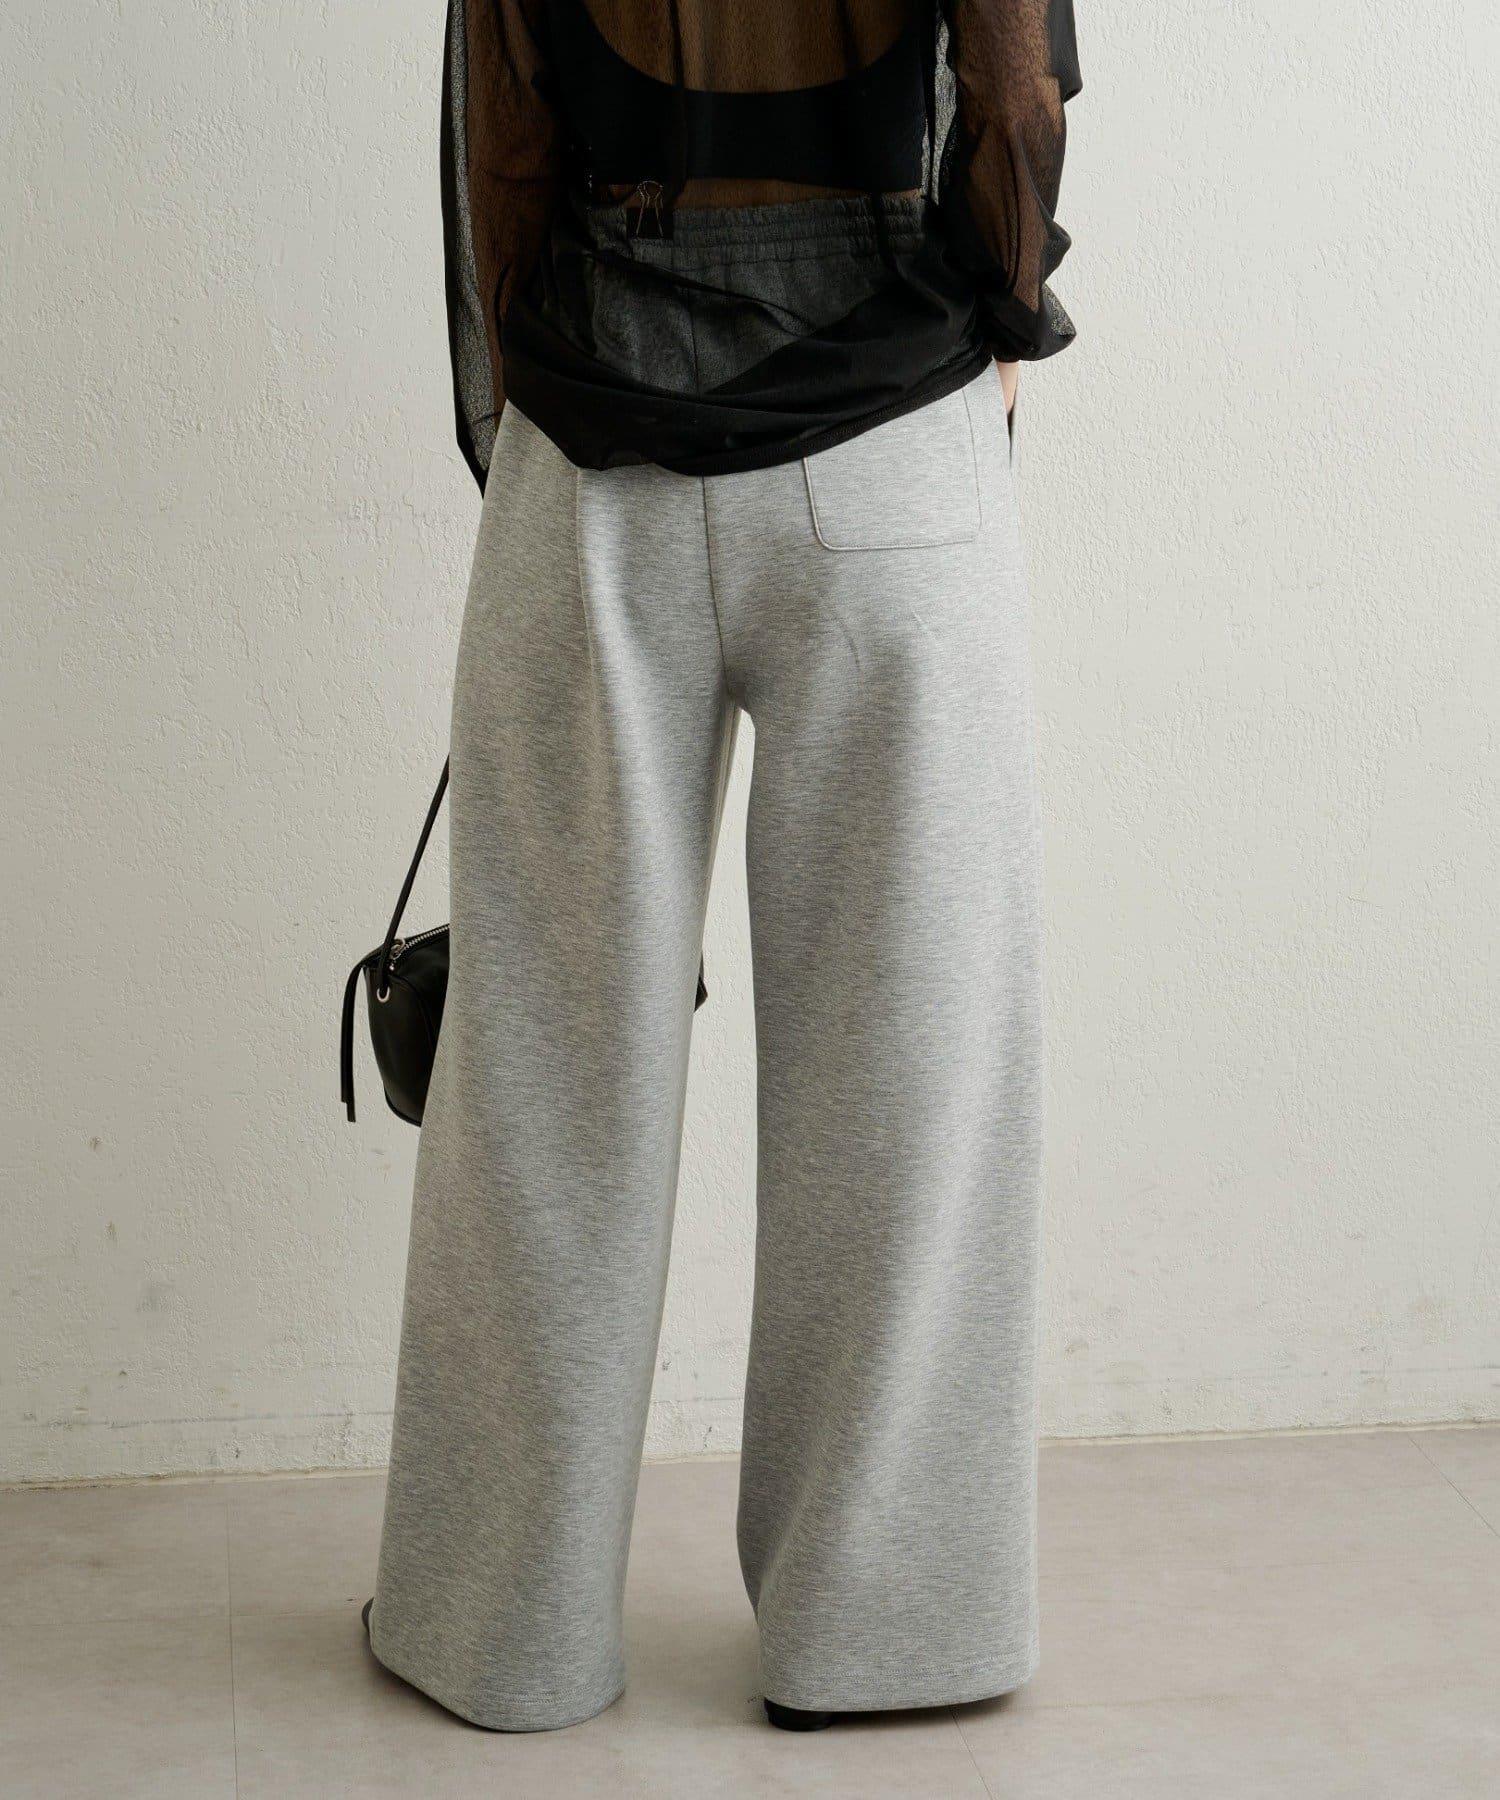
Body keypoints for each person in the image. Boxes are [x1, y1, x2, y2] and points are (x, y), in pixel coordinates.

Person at [365, 0, 1079, 1734]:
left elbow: (501, 147)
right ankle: (890, 1642)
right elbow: (1012, 90)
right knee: (912, 1070)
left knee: (544, 1071)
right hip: (898, 452)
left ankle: (498, 1631)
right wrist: (1004, 313)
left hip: (590, 455)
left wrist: (536, 410)